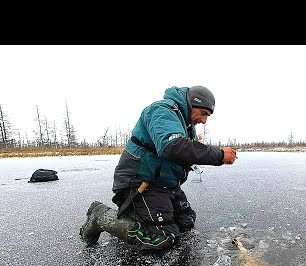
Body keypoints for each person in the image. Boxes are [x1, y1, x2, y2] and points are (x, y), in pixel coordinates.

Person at [79, 85, 237, 251]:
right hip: (140, 181)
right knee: (163, 238)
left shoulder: (184, 123)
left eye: (208, 116)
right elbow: (172, 146)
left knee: (186, 221)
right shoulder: (161, 111)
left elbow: (187, 151)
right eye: (203, 113)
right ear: (191, 104)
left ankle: (135, 215)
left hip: (163, 183)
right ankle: (101, 216)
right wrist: (218, 155)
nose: (204, 120)